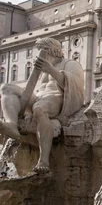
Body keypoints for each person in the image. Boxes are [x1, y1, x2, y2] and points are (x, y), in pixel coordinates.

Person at [0, 38, 85, 173]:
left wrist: (51, 70)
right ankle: (11, 124)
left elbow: (75, 86)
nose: (39, 55)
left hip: (59, 99)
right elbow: (39, 89)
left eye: (42, 51)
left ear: (52, 51)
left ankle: (44, 160)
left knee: (39, 108)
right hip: (41, 97)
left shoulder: (70, 64)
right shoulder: (43, 69)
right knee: (6, 88)